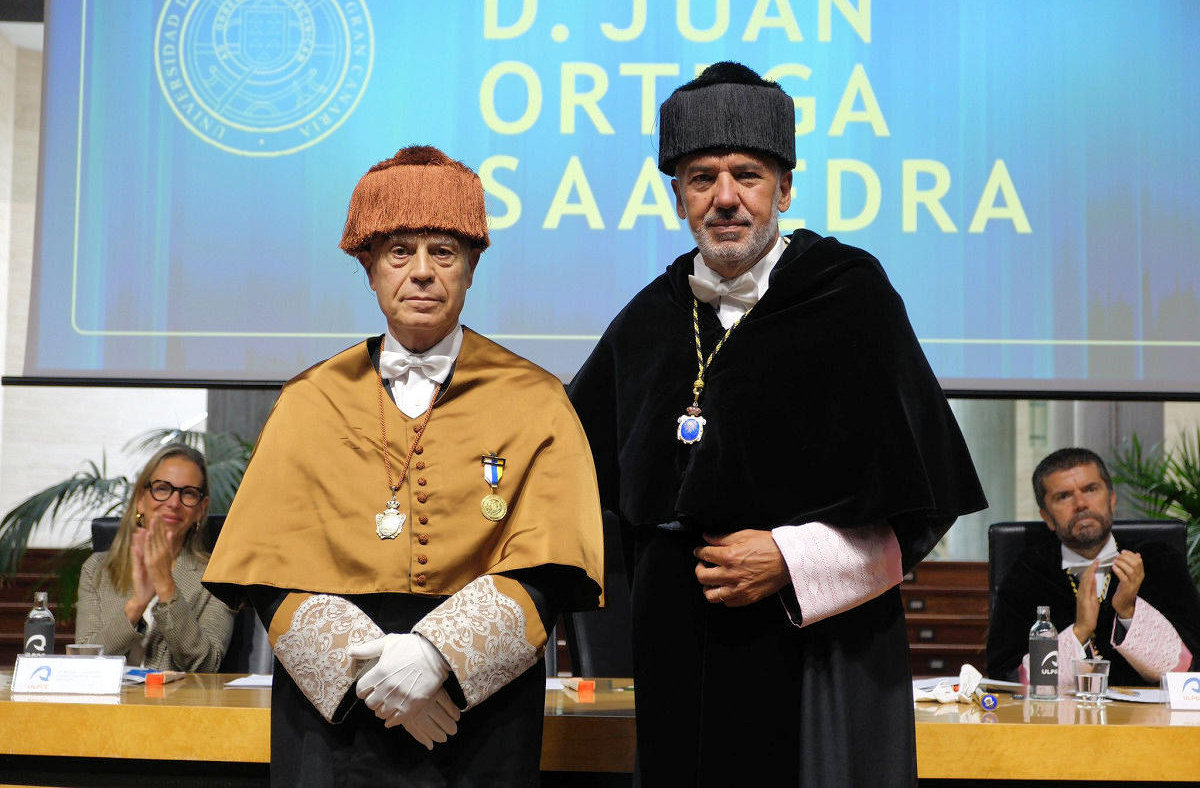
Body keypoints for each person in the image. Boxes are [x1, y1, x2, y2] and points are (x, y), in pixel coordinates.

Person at [567, 62, 987, 787]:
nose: (725, 197)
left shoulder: (852, 297)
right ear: (677, 197)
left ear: (784, 189)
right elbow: (585, 480)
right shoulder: (646, 321)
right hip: (675, 661)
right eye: (701, 178)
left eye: (747, 174)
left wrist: (790, 559)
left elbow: (922, 502)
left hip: (814, 654)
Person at [203, 145, 604, 788]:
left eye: (443, 253)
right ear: (368, 268)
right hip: (334, 717)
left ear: (471, 268)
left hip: (478, 711)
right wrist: (372, 677)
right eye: (399, 252)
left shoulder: (537, 400)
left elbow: (552, 567)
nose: (421, 272)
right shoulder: (309, 399)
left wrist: (436, 656)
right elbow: (265, 569)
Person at [987, 447, 1200, 688]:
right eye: (1064, 496)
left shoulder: (1159, 561)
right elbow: (1005, 679)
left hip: (1150, 721)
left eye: (1090, 489)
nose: (1080, 504)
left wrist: (1128, 612)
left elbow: (1189, 671)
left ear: (1111, 499)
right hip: (1059, 722)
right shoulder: (1027, 576)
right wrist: (1079, 632)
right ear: (1047, 517)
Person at [75, 443, 234, 671]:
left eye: (188, 493)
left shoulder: (217, 577)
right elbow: (83, 663)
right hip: (109, 704)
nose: (173, 503)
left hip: (178, 705)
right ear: (141, 498)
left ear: (201, 508)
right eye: (162, 488)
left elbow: (206, 665)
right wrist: (136, 605)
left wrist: (165, 586)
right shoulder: (97, 569)